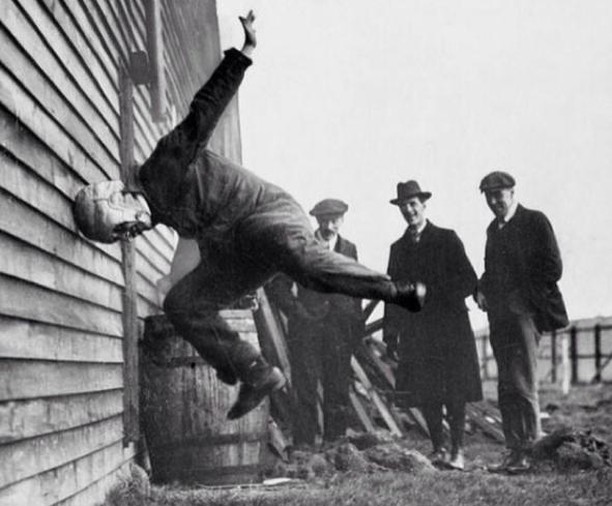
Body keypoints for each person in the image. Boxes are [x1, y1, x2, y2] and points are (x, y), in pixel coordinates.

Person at [72, 11, 425, 421]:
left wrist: (244, 52)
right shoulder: (159, 209)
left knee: (300, 262)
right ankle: (256, 373)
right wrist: (222, 321)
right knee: (181, 303)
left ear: (121, 198)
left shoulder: (164, 163)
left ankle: (395, 290)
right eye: (123, 237)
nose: (131, 234)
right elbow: (200, 232)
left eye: (123, 227)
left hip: (266, 214)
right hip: (236, 245)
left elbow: (205, 108)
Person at [383, 180, 482, 471]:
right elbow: (392, 294)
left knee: (454, 389)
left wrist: (431, 292)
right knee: (427, 390)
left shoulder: (446, 239)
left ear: (424, 205)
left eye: (413, 204)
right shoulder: (398, 248)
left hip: (450, 327)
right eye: (403, 206)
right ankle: (439, 447)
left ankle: (458, 450)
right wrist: (391, 335)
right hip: (417, 330)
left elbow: (468, 280)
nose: (409, 210)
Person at [475, 171, 568, 474]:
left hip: (524, 315)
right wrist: (481, 288)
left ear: (512, 192)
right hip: (499, 317)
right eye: (488, 196)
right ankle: (514, 451)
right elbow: (491, 271)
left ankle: (531, 450)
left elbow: (552, 267)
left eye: (498, 195)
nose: (493, 201)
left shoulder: (534, 221)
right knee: (505, 384)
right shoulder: (493, 229)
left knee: (522, 381)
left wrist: (522, 301)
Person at [266, 199, 365, 446]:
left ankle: (336, 448)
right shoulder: (301, 248)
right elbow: (278, 286)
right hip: (307, 329)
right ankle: (304, 450)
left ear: (342, 220)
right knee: (306, 390)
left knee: (338, 389)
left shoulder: (349, 249)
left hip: (339, 331)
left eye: (334, 221)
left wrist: (355, 323)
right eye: (324, 221)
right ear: (317, 221)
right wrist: (297, 312)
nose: (329, 226)